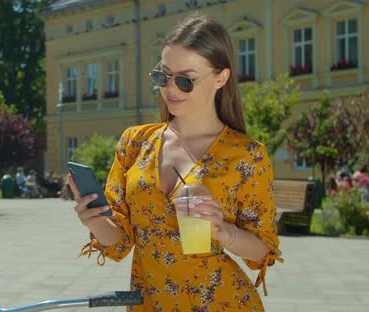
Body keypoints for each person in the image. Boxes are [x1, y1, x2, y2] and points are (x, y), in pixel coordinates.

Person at [69, 15, 282, 311]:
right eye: (163, 76)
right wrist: (94, 221)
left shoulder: (247, 155)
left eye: (185, 80)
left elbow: (261, 251)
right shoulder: (135, 143)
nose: (171, 89)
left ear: (221, 78)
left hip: (221, 302)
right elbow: (119, 243)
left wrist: (221, 231)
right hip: (148, 303)